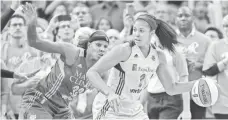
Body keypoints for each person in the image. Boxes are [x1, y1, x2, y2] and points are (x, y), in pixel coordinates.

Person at [87, 13, 200, 120]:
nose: (136, 34)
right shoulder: (124, 50)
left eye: (141, 31)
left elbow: (171, 88)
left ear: (151, 33)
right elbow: (92, 73)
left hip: (134, 111)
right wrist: (109, 93)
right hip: (110, 109)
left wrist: (198, 84)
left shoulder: (159, 56)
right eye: (135, 30)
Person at [19, 3, 109, 119]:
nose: (102, 49)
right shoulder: (72, 52)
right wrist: (31, 22)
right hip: (39, 101)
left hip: (62, 110)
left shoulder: (98, 70)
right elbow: (34, 42)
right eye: (98, 45)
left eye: (105, 46)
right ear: (90, 45)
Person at [175, 6, 211, 119]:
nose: (183, 18)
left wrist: (197, 65)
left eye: (186, 15)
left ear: (193, 18)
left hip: (198, 93)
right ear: (175, 19)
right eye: (180, 16)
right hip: (174, 95)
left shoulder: (205, 40)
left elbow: (212, 66)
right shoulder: (168, 39)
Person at [202, 15, 228, 119]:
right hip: (223, 103)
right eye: (225, 25)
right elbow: (207, 71)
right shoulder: (216, 46)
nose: (227, 28)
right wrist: (225, 62)